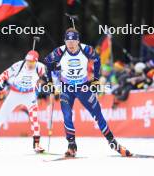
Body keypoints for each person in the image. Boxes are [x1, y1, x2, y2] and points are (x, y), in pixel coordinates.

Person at [44, 28, 132, 157]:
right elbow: (47, 63)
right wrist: (50, 82)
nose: (71, 44)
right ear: (65, 41)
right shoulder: (60, 51)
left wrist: (96, 79)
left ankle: (114, 143)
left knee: (97, 115)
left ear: (78, 41)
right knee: (67, 116)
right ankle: (71, 145)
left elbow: (97, 60)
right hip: (67, 88)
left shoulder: (86, 50)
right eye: (68, 41)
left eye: (74, 41)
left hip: (83, 88)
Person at [0, 50, 45, 153]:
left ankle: (36, 144)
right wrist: (0, 84)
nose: (29, 64)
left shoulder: (40, 67)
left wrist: (49, 84)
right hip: (15, 94)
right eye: (28, 62)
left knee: (34, 118)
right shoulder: (18, 65)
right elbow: (3, 75)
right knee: (0, 118)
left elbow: (47, 78)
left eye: (32, 63)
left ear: (36, 61)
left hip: (30, 94)